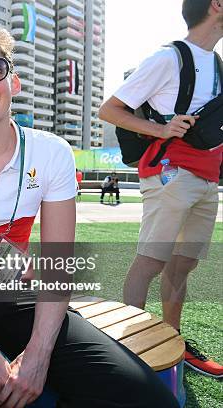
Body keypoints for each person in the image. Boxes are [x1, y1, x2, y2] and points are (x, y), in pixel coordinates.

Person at [0, 28, 179, 408]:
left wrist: (38, 354)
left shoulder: (51, 153)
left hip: (19, 291)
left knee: (148, 399)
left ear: (13, 81)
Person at [99, 0, 222, 377]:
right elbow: (110, 109)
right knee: (151, 262)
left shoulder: (217, 65)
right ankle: (130, 352)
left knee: (183, 266)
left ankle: (174, 339)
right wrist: (162, 129)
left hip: (207, 178)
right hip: (171, 172)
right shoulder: (169, 57)